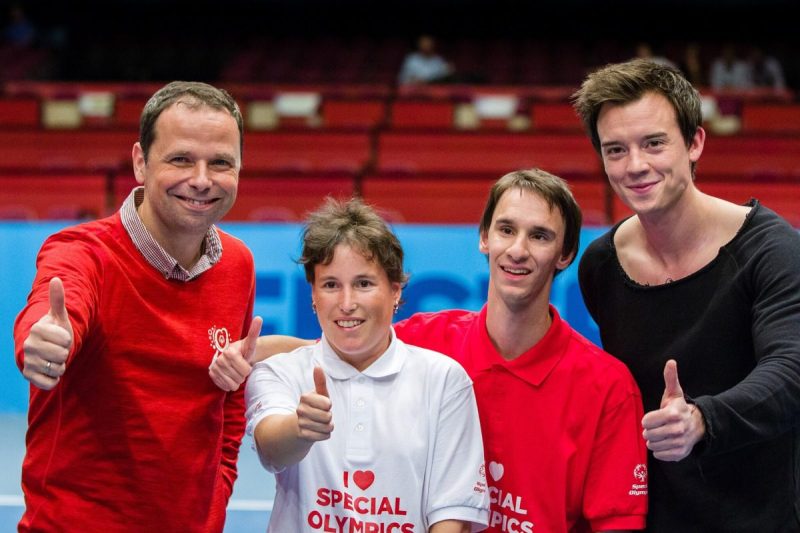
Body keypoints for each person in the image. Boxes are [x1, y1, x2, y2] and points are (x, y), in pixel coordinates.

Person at [212, 170, 649, 532]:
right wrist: (244, 356)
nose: (517, 249)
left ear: (565, 253)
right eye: (506, 230)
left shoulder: (607, 387)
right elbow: (335, 350)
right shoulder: (433, 340)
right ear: (484, 238)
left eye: (539, 236)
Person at [13, 81, 259, 532]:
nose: (202, 179)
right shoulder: (81, 252)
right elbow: (50, 314)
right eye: (181, 159)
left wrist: (216, 498)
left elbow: (228, 402)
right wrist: (42, 343)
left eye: (221, 162)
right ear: (140, 162)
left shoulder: (238, 263)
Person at [573, 58, 800, 531]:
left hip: (762, 516)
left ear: (695, 143)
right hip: (652, 520)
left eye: (653, 143)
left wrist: (702, 419)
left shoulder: (772, 249)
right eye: (616, 150)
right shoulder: (600, 265)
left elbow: (790, 372)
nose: (635, 166)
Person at [245, 197, 489, 532]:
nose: (347, 304)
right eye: (331, 285)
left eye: (364, 284)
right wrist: (299, 430)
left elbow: (451, 515)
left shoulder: (446, 380)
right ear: (313, 296)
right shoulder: (279, 372)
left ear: (395, 291)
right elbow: (272, 449)